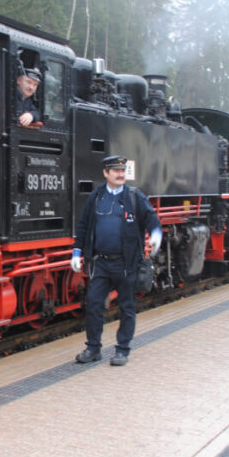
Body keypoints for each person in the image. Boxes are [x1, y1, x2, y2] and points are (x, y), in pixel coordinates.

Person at [70, 155, 161, 366]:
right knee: (93, 304)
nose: (121, 174)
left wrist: (155, 234)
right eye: (116, 171)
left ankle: (122, 349)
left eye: (123, 170)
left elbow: (152, 219)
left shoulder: (134, 196)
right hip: (101, 262)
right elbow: (83, 226)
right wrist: (77, 252)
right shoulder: (96, 197)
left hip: (126, 263)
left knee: (127, 306)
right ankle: (93, 348)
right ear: (105, 173)